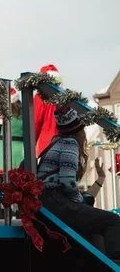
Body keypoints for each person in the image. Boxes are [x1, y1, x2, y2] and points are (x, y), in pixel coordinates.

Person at [37, 106, 120, 264]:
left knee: (89, 206)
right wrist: (78, 201)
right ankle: (115, 264)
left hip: (48, 202)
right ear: (80, 129)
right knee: (113, 221)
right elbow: (68, 181)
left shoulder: (56, 143)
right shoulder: (70, 144)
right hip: (55, 202)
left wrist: (99, 179)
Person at [0, 87, 24, 180]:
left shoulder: (1, 112)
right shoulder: (25, 112)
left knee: (4, 185)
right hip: (21, 151)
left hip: (3, 150)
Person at [34, 64, 61, 157]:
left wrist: (31, 142)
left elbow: (35, 122)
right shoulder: (65, 96)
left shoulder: (40, 97)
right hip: (65, 143)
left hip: (46, 145)